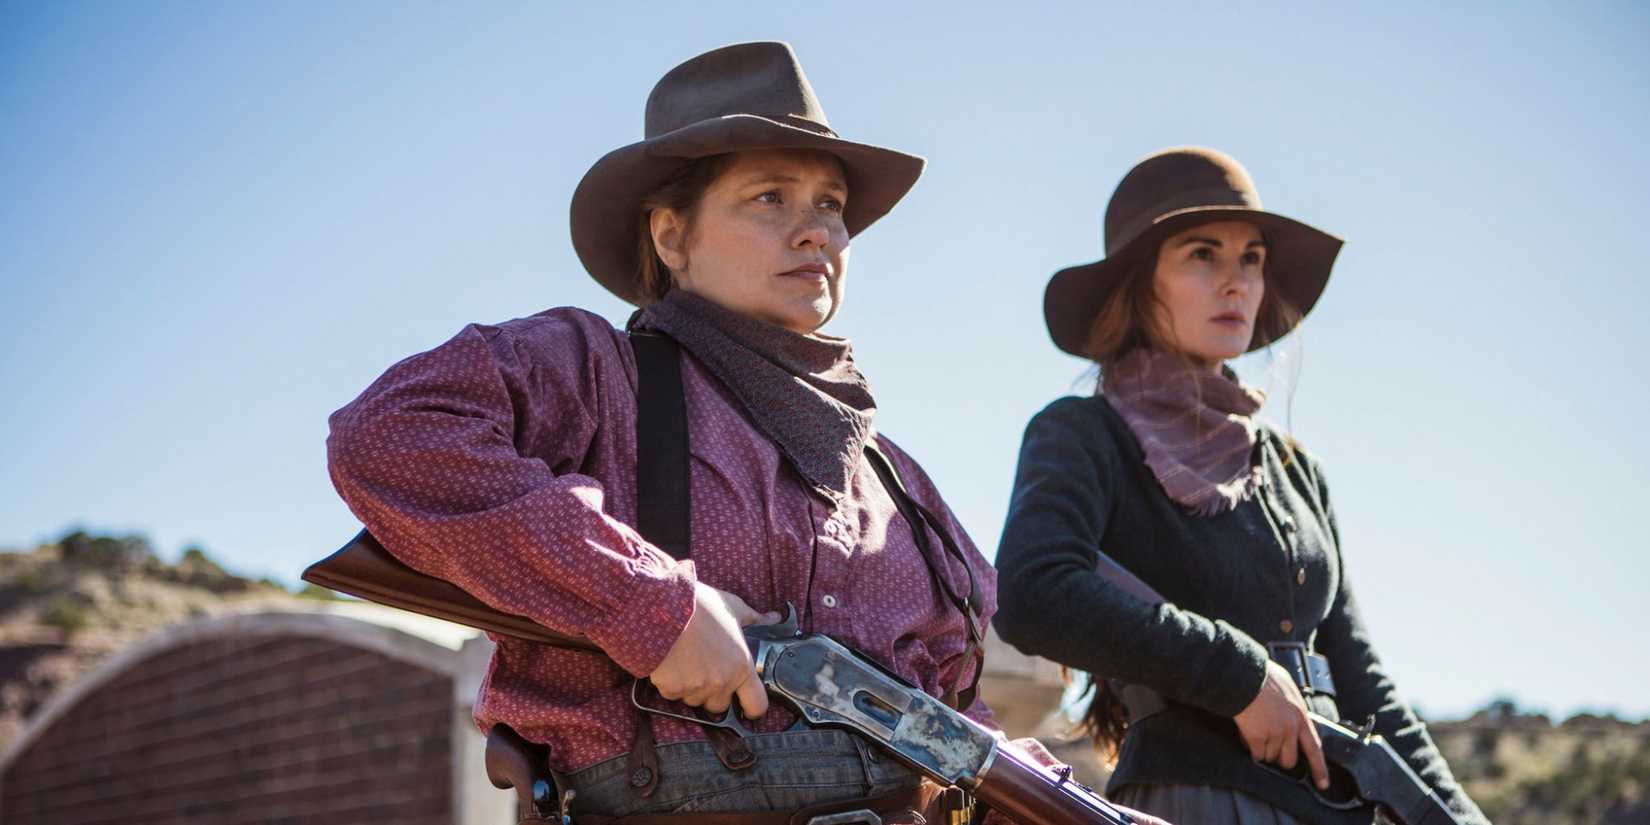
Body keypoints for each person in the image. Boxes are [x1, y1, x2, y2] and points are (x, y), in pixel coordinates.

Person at [327, 41, 1161, 825]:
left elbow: (957, 723)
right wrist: (654, 605)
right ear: (671, 235)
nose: (817, 230)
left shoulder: (902, 486)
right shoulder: (593, 373)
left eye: (830, 205)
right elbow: (386, 435)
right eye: (770, 197)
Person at [992, 146, 1490, 825]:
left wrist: (1460, 818)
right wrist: (1241, 676)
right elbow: (1032, 591)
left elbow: (1363, 682)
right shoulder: (1082, 433)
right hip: (1194, 802)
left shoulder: (1295, 470)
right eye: (1203, 255)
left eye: (1251, 259)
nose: (1236, 283)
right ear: (1140, 284)